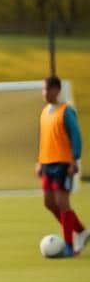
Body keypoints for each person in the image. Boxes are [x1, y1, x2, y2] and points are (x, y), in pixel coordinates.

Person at [36, 76, 86, 257]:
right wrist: (39, 161)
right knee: (49, 203)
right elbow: (44, 139)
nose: (45, 93)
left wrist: (75, 159)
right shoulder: (44, 112)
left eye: (47, 90)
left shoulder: (66, 111)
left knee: (62, 202)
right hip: (47, 163)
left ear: (57, 90)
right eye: (43, 90)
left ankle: (69, 246)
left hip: (63, 163)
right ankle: (80, 231)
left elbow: (76, 136)